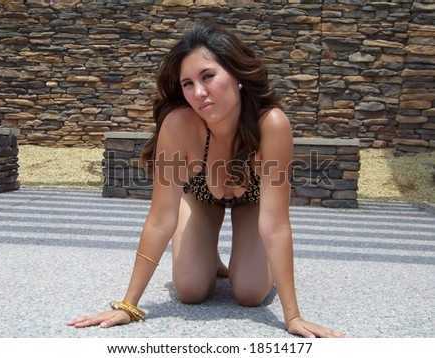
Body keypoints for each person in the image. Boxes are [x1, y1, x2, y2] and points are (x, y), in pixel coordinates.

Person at [67, 21, 345, 338]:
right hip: (201, 199)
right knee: (190, 289)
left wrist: (293, 317)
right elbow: (160, 220)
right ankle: (207, 253)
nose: (198, 93)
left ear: (237, 75)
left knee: (251, 294)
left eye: (208, 76)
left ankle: (221, 257)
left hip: (251, 204)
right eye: (187, 83)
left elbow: (276, 225)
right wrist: (127, 305)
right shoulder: (178, 125)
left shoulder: (273, 125)